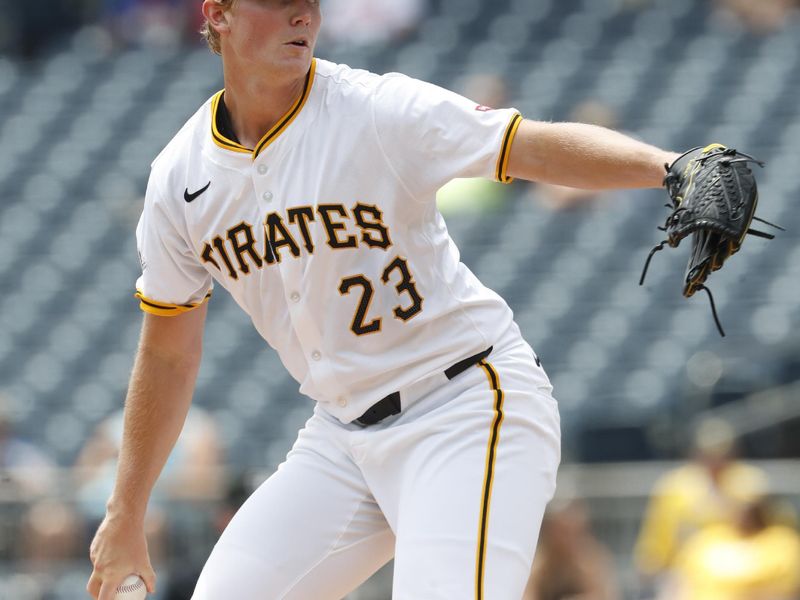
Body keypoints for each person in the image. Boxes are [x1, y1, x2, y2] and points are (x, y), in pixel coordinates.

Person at [87, 1, 680, 598]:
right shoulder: (179, 177)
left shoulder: (374, 109)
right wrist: (126, 513)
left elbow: (528, 145)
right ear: (218, 14)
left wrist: (668, 167)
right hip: (341, 437)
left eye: (311, 4)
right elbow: (166, 355)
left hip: (463, 407)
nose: (303, 17)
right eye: (282, 2)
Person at [634, 418, 770, 595]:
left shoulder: (751, 483)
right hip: (688, 573)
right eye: (709, 454)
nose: (716, 461)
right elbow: (658, 537)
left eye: (722, 453)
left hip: (749, 569)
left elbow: (773, 530)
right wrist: (649, 565)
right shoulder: (676, 487)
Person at [661, 496, 800, 600]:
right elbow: (680, 579)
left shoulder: (783, 541)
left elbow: (790, 590)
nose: (744, 515)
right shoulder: (710, 538)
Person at [523, 499, 619, 600]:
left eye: (574, 530)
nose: (568, 538)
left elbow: (607, 595)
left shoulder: (593, 562)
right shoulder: (538, 564)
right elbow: (527, 594)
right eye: (562, 531)